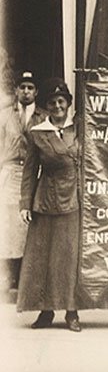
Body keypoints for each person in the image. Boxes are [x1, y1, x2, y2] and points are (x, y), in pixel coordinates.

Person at [17, 78, 82, 332]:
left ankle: (72, 312)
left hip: (72, 201)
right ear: (47, 106)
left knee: (68, 259)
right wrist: (25, 203)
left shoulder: (78, 129)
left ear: (68, 104)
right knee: (43, 259)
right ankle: (46, 312)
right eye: (53, 102)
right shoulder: (37, 133)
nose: (57, 106)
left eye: (61, 102)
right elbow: (29, 171)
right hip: (44, 201)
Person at [0, 71, 45, 301]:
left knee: (27, 223)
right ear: (16, 90)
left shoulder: (43, 117)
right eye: (22, 87)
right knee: (7, 224)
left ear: (36, 92)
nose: (26, 91)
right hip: (8, 172)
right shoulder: (5, 116)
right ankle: (7, 277)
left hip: (32, 174)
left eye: (30, 87)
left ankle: (24, 278)